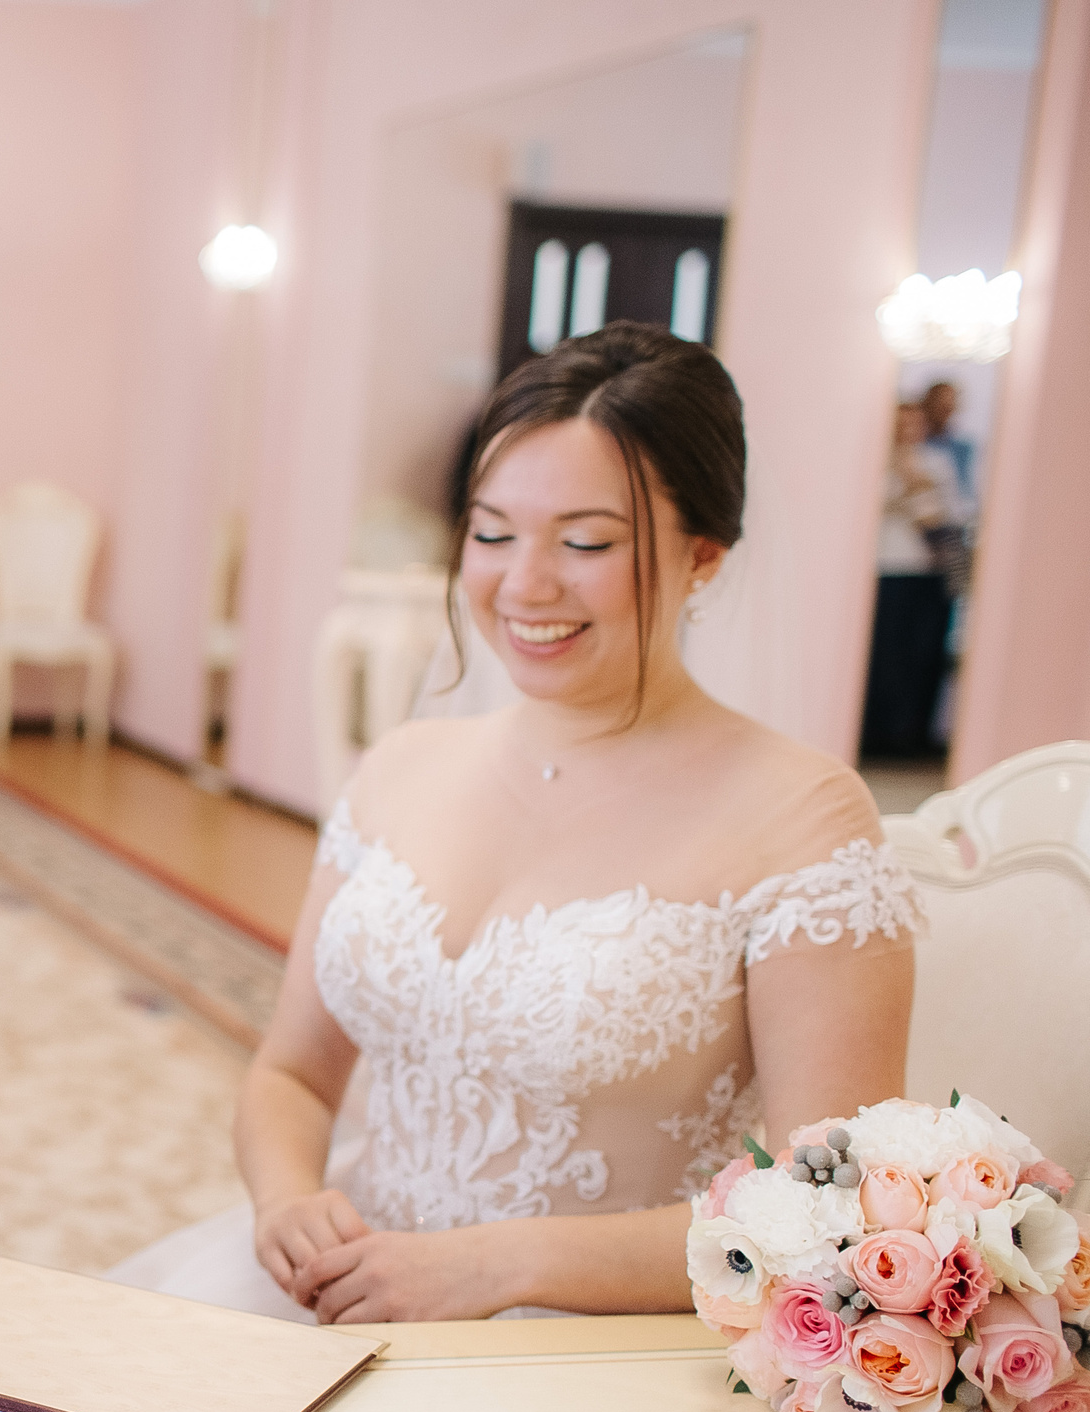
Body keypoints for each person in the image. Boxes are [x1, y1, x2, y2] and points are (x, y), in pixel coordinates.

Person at [112, 324, 920, 1324]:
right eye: (492, 533)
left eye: (584, 542)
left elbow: (825, 1205)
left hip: (584, 1337)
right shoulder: (403, 766)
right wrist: (286, 1199)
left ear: (702, 555)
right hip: (345, 1286)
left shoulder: (799, 817)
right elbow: (290, 1072)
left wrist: (495, 1268)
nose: (524, 583)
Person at [860, 400, 963, 761]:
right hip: (886, 567)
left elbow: (953, 512)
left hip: (929, 568)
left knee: (923, 655)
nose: (909, 431)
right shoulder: (872, 456)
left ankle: (913, 733)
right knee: (885, 654)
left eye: (915, 424)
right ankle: (876, 733)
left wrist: (920, 490)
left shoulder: (937, 463)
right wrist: (905, 488)